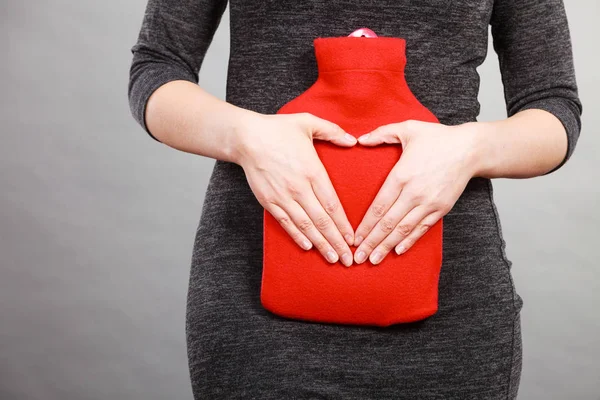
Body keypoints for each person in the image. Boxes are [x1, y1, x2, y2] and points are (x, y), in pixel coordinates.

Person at [128, 0, 582, 398]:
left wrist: (469, 148)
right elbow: (157, 68)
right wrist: (246, 137)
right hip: (257, 307)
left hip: (451, 310)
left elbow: (554, 107)